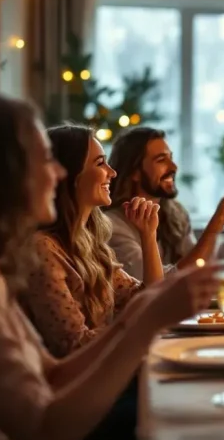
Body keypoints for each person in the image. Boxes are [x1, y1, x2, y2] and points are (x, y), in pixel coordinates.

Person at [0, 95, 220, 440]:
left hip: (51, 434)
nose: (56, 174)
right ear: (4, 174)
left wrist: (150, 308)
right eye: (45, 160)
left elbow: (52, 373)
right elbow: (44, 436)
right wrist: (145, 322)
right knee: (185, 416)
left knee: (189, 402)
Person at [18, 125, 164, 358]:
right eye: (100, 163)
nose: (112, 172)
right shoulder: (43, 249)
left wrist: (148, 236)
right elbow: (74, 345)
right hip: (75, 387)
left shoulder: (91, 244)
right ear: (69, 176)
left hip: (105, 371)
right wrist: (136, 325)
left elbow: (149, 302)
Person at [106, 127, 224, 281]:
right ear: (134, 172)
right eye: (161, 160)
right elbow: (157, 284)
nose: (174, 167)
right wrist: (217, 221)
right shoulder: (112, 226)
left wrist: (222, 219)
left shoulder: (176, 212)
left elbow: (198, 267)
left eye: (171, 158)